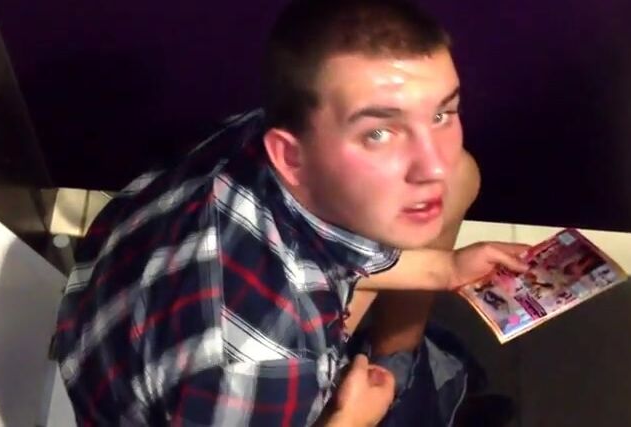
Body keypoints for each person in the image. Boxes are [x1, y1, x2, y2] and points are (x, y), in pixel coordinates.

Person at [54, 0, 529, 425]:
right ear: (290, 156)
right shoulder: (264, 365)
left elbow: (323, 244)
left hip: (124, 324)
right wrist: (351, 419)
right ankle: (405, 395)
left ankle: (401, 368)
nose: (434, 166)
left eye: (441, 115)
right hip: (194, 389)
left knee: (462, 175)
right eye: (378, 133)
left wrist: (446, 269)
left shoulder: (263, 137)